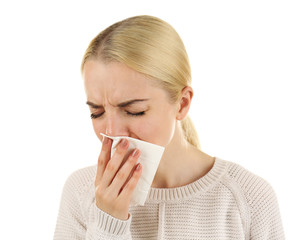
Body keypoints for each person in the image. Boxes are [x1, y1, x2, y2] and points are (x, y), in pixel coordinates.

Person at [53, 15, 285, 239]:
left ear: (182, 104)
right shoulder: (80, 192)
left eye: (134, 111)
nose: (111, 132)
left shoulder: (250, 198)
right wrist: (108, 223)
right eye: (97, 112)